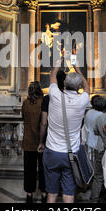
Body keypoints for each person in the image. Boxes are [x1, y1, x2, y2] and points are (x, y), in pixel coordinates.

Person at [38, 61, 90, 203]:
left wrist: (57, 64)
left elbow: (53, 76)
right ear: (78, 87)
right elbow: (87, 88)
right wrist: (79, 70)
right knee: (68, 193)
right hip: (70, 153)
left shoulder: (54, 95)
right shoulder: (83, 101)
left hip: (52, 152)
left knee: (52, 193)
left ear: (65, 85)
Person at [22, 81, 46, 203]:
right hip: (42, 142)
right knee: (43, 169)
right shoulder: (44, 103)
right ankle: (43, 194)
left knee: (29, 170)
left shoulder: (25, 103)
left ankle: (29, 195)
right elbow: (45, 122)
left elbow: (23, 118)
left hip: (28, 141)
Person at [84, 95, 106, 202]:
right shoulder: (101, 115)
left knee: (92, 170)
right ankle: (99, 193)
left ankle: (91, 191)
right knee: (99, 172)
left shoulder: (88, 113)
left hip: (89, 142)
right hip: (98, 144)